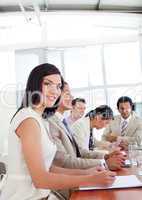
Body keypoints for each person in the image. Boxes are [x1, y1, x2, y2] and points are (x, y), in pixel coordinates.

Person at [1, 63, 116, 200]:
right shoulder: (28, 120)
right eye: (47, 84)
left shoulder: (40, 120)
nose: (55, 91)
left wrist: (86, 172)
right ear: (34, 86)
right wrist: (91, 179)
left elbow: (48, 168)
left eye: (58, 86)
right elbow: (41, 180)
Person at [47, 82, 125, 171]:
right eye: (67, 93)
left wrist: (106, 156)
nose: (72, 98)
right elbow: (67, 160)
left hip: (78, 169)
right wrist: (104, 163)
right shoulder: (57, 123)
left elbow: (81, 151)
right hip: (73, 172)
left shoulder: (63, 122)